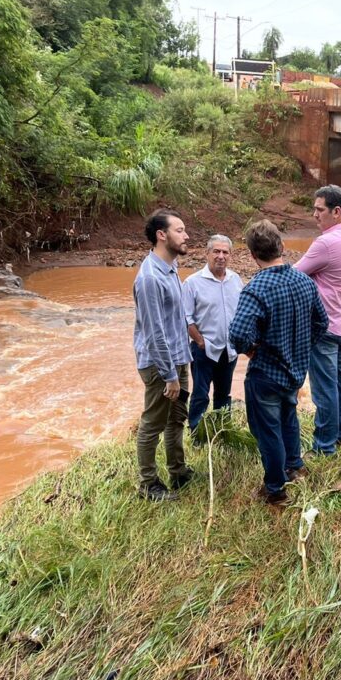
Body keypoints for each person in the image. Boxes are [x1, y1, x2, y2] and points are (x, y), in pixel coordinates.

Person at [229, 219, 329, 505]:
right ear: (282, 247)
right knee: (289, 416)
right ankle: (295, 466)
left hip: (267, 373)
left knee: (268, 430)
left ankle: (275, 489)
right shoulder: (304, 280)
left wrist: (252, 349)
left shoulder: (255, 289)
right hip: (295, 370)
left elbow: (237, 335)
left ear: (251, 255)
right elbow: (322, 322)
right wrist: (302, 346)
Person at [294, 185, 341, 456]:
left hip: (325, 328)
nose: (314, 215)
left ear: (336, 212)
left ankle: (324, 446)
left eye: (319, 209)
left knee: (325, 390)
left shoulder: (326, 243)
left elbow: (296, 274)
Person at [132, 209, 194, 501]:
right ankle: (148, 484)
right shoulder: (149, 278)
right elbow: (154, 332)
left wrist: (182, 365)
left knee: (176, 419)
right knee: (153, 423)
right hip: (161, 366)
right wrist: (170, 376)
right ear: (162, 235)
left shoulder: (171, 266)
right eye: (180, 230)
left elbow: (174, 320)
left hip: (179, 358)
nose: (186, 236)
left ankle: (178, 471)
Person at [182, 234, 243, 433]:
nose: (221, 256)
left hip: (229, 349)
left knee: (224, 394)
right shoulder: (193, 282)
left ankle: (222, 430)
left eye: (225, 252)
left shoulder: (235, 280)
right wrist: (200, 342)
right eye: (216, 251)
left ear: (231, 255)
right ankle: (196, 432)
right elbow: (186, 318)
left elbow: (241, 313)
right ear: (206, 254)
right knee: (200, 394)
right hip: (204, 350)